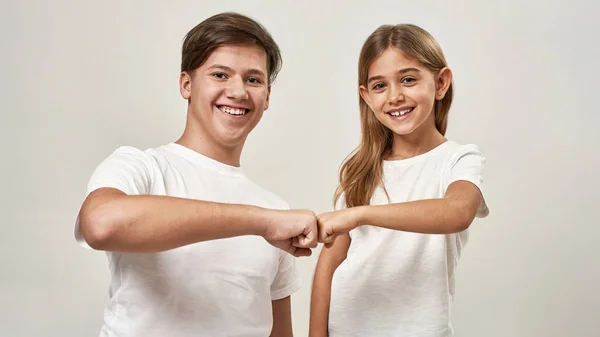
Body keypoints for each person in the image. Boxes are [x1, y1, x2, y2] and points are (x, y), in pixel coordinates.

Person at [74, 12, 318, 337]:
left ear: (268, 96)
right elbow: (101, 225)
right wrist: (261, 222)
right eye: (220, 74)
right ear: (186, 84)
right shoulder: (140, 167)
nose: (238, 91)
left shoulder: (274, 208)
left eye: (253, 79)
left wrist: (269, 219)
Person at [309, 23, 490, 337]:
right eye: (380, 86)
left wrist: (360, 214)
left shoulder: (458, 160)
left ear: (441, 82)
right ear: (366, 96)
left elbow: (457, 212)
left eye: (408, 79)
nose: (394, 96)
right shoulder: (362, 170)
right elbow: (330, 262)